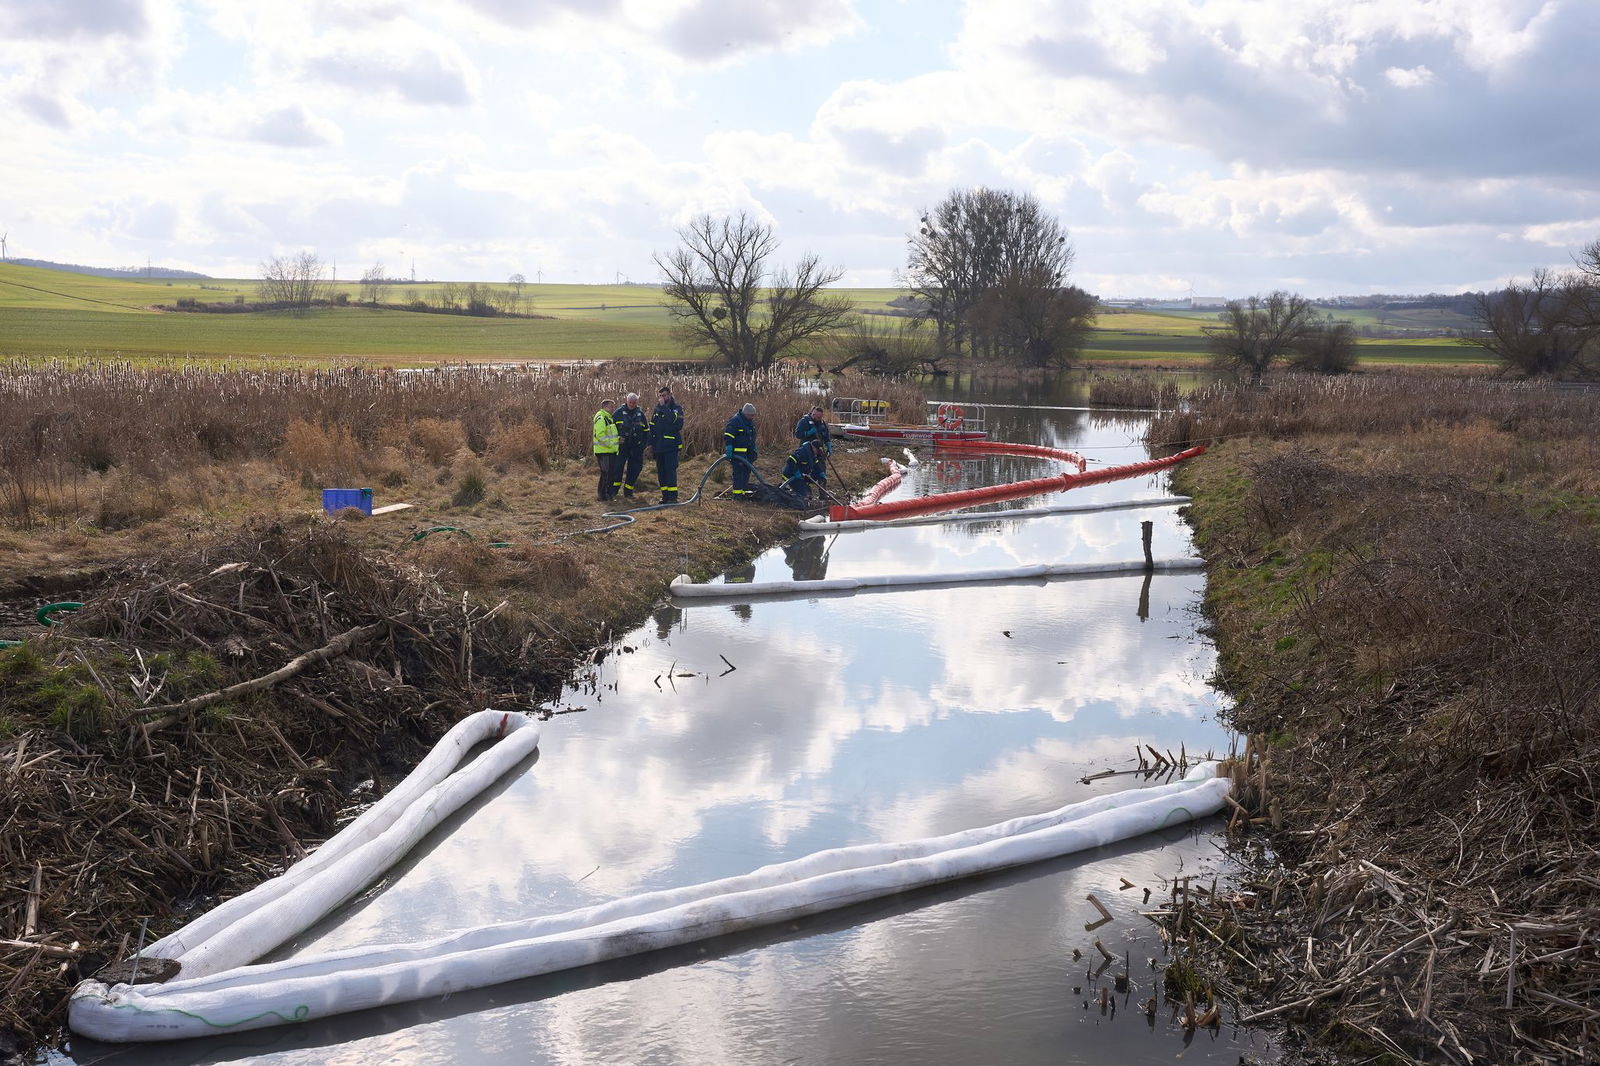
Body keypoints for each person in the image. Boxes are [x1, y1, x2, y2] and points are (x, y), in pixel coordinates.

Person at [648, 384, 684, 505]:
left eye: (664, 395)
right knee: (661, 473)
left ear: (669, 395)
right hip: (659, 447)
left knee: (670, 471)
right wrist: (650, 443)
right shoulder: (657, 409)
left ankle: (673, 498)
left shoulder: (676, 408)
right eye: (660, 396)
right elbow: (652, 426)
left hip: (671, 446)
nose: (662, 398)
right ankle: (665, 496)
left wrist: (664, 407)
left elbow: (674, 421)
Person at [612, 392, 648, 498]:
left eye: (634, 402)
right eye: (630, 402)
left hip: (636, 447)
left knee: (635, 468)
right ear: (626, 401)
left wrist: (643, 445)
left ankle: (628, 490)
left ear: (637, 402)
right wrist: (616, 439)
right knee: (617, 468)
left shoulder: (640, 415)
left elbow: (646, 430)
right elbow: (610, 429)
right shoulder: (618, 413)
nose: (632, 404)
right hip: (621, 446)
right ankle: (613, 491)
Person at [723, 402, 758, 498]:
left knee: (746, 472)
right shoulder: (735, 421)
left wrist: (754, 448)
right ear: (745, 413)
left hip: (748, 454)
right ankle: (737, 495)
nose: (753, 417)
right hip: (738, 454)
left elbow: (752, 436)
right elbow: (728, 435)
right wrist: (729, 447)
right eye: (751, 415)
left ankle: (743, 492)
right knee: (739, 473)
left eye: (753, 415)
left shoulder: (750, 423)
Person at [592, 399, 620, 501]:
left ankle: (608, 495)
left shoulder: (608, 418)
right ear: (605, 407)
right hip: (604, 451)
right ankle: (603, 496)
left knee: (610, 474)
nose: (613, 409)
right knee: (606, 474)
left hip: (610, 451)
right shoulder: (601, 417)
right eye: (611, 407)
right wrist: (611, 444)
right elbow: (600, 435)